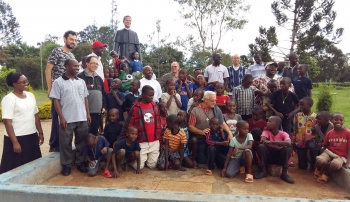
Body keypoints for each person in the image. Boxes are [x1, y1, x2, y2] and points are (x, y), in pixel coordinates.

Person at [49, 58, 90, 176]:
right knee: (65, 143)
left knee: (81, 142)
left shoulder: (81, 81)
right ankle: (66, 165)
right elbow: (56, 100)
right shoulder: (58, 82)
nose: (77, 68)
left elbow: (85, 98)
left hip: (81, 117)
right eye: (74, 66)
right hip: (66, 119)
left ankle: (80, 163)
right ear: (66, 66)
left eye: (78, 66)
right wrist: (61, 117)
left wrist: (87, 114)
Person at [0, 73, 44, 174]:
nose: (26, 84)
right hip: (17, 137)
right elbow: (7, 122)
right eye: (22, 82)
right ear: (14, 84)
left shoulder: (30, 95)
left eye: (26, 81)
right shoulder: (9, 99)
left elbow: (36, 115)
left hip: (31, 135)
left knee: (33, 165)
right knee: (15, 167)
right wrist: (15, 142)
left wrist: (40, 132)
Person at [45, 30, 77, 152]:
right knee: (56, 116)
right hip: (57, 89)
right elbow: (48, 70)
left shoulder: (72, 56)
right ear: (65, 39)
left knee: (66, 117)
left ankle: (64, 142)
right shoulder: (57, 51)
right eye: (71, 39)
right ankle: (54, 144)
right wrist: (50, 87)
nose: (73, 42)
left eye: (75, 40)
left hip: (68, 90)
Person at [118, 85, 162, 170]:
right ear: (143, 94)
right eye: (149, 95)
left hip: (154, 140)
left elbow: (158, 122)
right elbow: (128, 124)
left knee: (152, 165)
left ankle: (146, 158)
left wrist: (159, 137)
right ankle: (129, 160)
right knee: (139, 166)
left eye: (153, 95)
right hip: (142, 140)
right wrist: (120, 138)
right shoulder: (135, 108)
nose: (152, 97)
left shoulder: (154, 106)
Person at [188, 91, 233, 164]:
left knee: (227, 138)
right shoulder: (195, 110)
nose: (215, 102)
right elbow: (190, 126)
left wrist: (230, 132)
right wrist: (201, 132)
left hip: (213, 138)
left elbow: (222, 123)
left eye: (215, 100)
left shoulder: (216, 109)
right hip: (201, 139)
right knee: (202, 161)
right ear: (205, 100)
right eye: (212, 100)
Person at [254, 116, 295, 184]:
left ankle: (284, 174)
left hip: (280, 158)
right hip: (269, 157)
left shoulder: (283, 133)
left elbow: (288, 143)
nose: (267, 123)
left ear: (276, 124)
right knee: (261, 147)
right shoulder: (266, 132)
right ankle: (264, 171)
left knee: (288, 149)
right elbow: (262, 141)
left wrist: (271, 142)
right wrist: (277, 147)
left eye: (270, 121)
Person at [314, 112, 350, 183]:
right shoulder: (330, 133)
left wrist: (348, 162)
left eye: (341, 120)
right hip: (329, 152)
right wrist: (322, 156)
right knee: (319, 161)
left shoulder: (348, 133)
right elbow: (325, 145)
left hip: (341, 156)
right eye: (336, 119)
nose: (338, 121)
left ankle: (326, 174)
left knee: (335, 165)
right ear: (331, 120)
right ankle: (319, 168)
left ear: (343, 121)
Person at [77, 56, 106, 136]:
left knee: (94, 135)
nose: (95, 65)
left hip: (97, 113)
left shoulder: (99, 78)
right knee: (84, 135)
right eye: (93, 63)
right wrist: (85, 112)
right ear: (87, 63)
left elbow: (103, 94)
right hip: (84, 113)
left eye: (97, 64)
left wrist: (103, 107)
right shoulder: (80, 77)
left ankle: (93, 149)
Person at [293, 97, 317, 171]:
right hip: (300, 141)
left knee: (312, 147)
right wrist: (294, 140)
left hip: (311, 140)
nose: (300, 107)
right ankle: (303, 161)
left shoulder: (316, 117)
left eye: (303, 105)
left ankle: (313, 163)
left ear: (310, 105)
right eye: (300, 105)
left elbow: (317, 131)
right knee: (302, 167)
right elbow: (295, 128)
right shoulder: (298, 115)